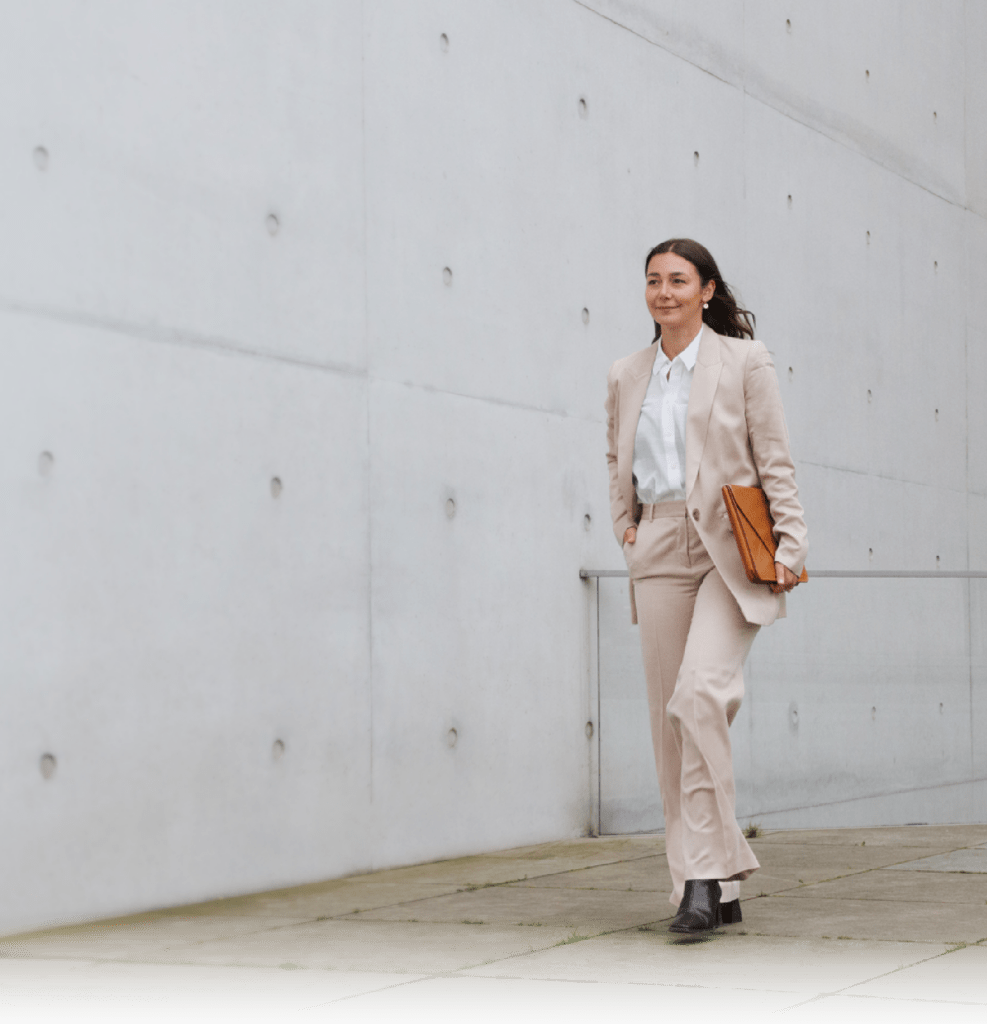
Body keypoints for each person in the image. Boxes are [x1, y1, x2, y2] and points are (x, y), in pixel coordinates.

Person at [605, 238, 808, 935]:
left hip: (729, 544)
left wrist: (791, 541)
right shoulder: (627, 372)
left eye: (678, 280)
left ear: (707, 290)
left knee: (698, 695)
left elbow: (771, 455)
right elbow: (616, 455)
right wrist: (623, 525)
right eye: (653, 281)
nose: (663, 292)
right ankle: (714, 879)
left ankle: (700, 877)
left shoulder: (743, 361)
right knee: (672, 725)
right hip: (658, 542)